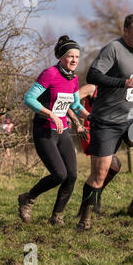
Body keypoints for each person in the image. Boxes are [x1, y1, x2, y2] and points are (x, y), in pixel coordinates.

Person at [77, 13, 133, 231]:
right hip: (106, 120)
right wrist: (123, 83)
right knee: (99, 174)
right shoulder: (113, 49)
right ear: (125, 32)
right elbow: (93, 76)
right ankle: (84, 218)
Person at [19, 35, 90, 225]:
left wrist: (90, 117)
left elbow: (75, 105)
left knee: (72, 175)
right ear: (61, 57)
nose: (74, 60)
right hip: (44, 130)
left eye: (77, 56)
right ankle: (28, 197)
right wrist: (51, 114)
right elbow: (29, 99)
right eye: (70, 56)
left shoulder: (73, 78)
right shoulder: (49, 74)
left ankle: (57, 216)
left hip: (62, 132)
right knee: (60, 174)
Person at [67, 84, 122, 215]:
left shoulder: (115, 89)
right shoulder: (92, 88)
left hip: (106, 133)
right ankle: (87, 208)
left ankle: (92, 201)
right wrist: (77, 123)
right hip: (91, 132)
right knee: (107, 169)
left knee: (112, 168)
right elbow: (69, 102)